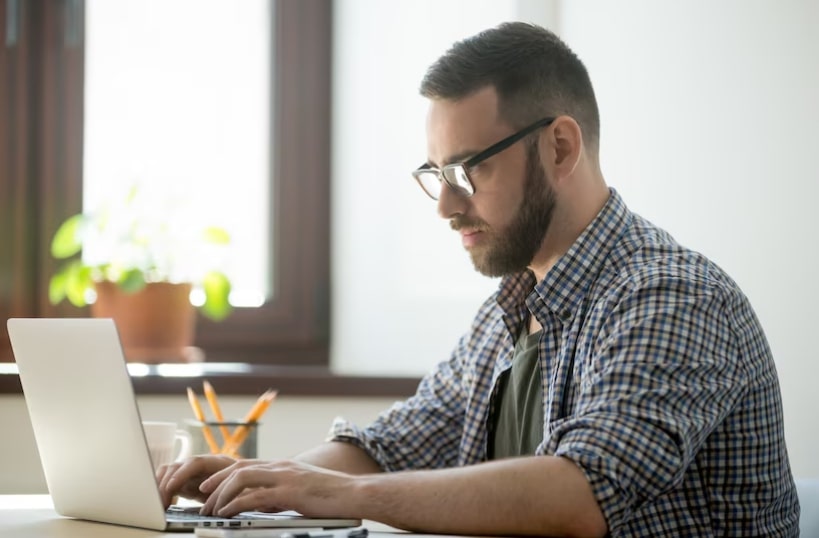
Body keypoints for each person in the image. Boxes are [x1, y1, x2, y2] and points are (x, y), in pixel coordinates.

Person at [158, 22, 799, 537]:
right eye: (436, 175)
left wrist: (338, 494)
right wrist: (262, 481)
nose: (445, 205)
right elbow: (392, 448)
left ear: (560, 147)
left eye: (468, 171)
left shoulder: (672, 296)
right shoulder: (507, 312)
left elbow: (581, 494)